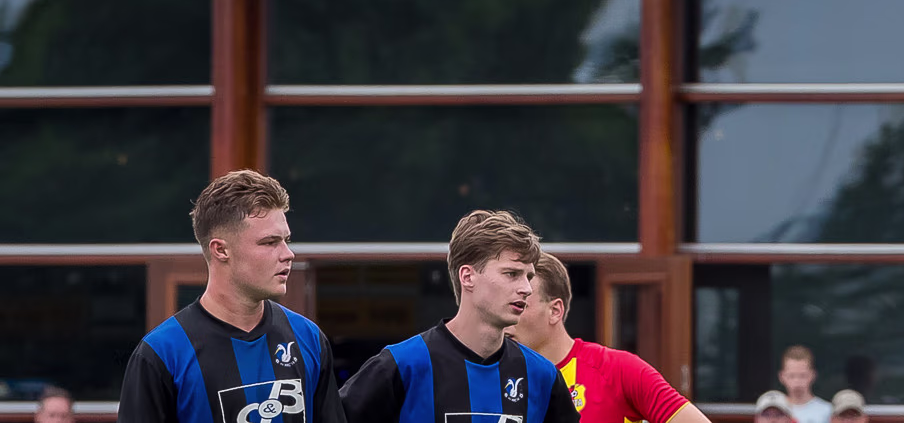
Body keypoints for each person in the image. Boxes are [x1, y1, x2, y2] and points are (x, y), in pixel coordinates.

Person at [119, 170, 346, 423]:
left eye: (286, 240)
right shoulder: (162, 353)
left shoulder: (308, 338)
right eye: (270, 242)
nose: (287, 254)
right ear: (221, 250)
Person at [339, 210, 580, 423]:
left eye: (528, 277)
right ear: (468, 277)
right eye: (511, 274)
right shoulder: (402, 366)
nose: (526, 288)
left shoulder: (541, 376)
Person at [506, 252, 713, 423]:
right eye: (504, 306)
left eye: (520, 306)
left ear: (555, 311)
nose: (507, 317)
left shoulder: (617, 370)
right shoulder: (495, 377)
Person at [778, 346, 832, 423]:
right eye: (791, 376)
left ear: (813, 375)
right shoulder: (771, 412)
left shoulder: (827, 411)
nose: (797, 381)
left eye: (802, 375)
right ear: (781, 376)